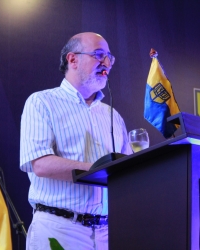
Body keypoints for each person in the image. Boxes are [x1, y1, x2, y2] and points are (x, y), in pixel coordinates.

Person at [20, 32, 132, 250]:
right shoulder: (42, 102)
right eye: (99, 55)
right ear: (72, 60)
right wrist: (98, 169)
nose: (107, 63)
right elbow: (40, 164)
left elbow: (126, 173)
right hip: (59, 228)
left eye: (110, 57)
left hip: (108, 233)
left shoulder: (114, 116)